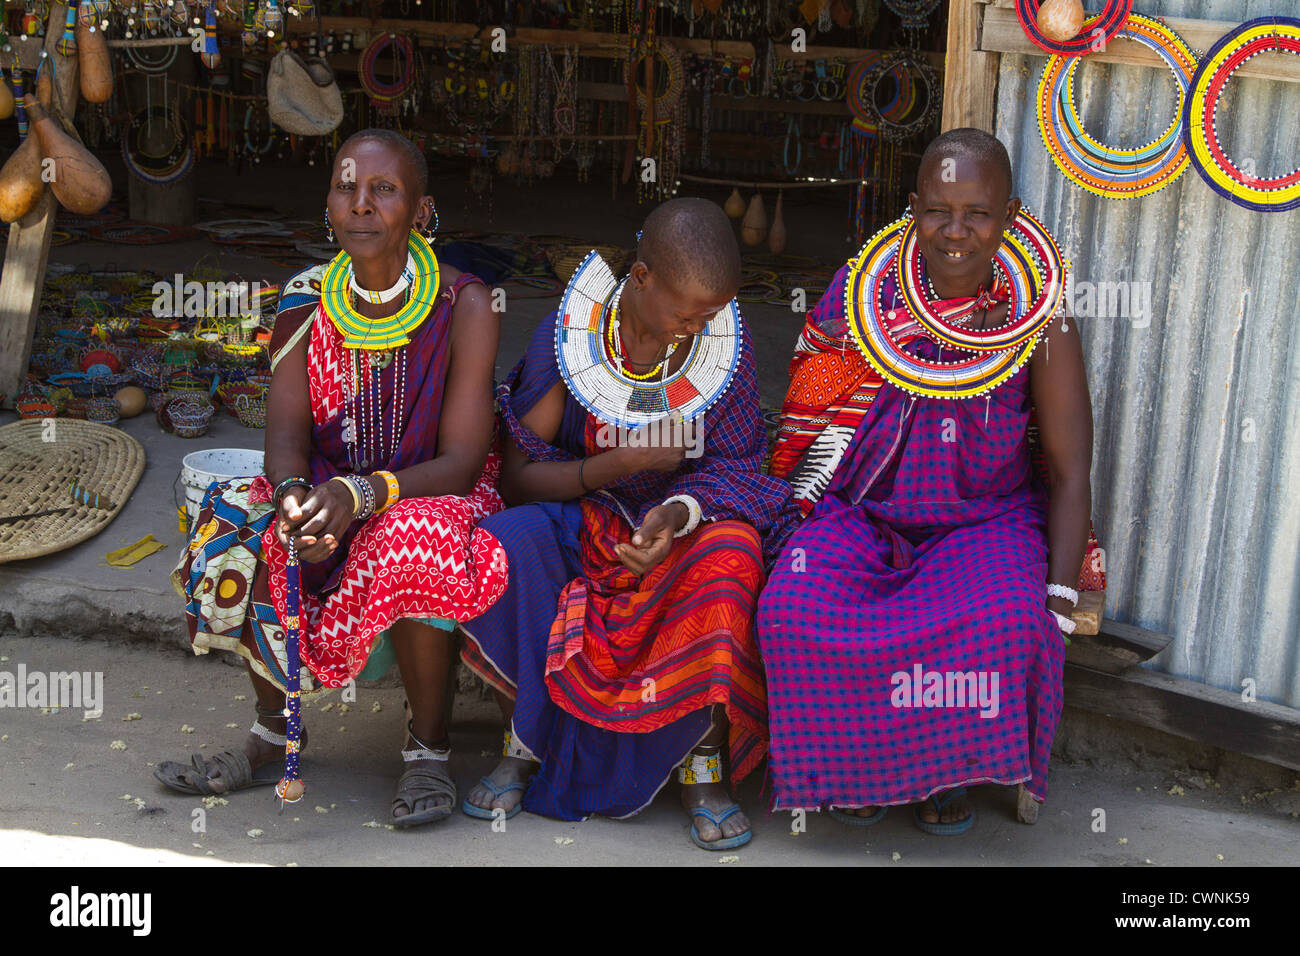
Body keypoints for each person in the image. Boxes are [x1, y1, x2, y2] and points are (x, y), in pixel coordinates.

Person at [158, 129, 509, 828]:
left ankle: (428, 750)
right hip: (325, 489)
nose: (361, 205)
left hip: (427, 490)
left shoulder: (466, 304)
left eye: (383, 190)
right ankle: (272, 732)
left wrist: (361, 494)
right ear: (328, 205)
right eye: (346, 188)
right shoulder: (303, 298)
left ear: (422, 211)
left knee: (413, 538)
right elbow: (284, 443)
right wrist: (295, 502)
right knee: (240, 521)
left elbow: (463, 460)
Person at [759, 128, 1097, 834]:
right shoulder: (863, 296)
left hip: (981, 525)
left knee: (1008, 620)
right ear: (912, 208)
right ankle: (854, 769)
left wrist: (1061, 597)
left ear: (1011, 214)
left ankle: (947, 774)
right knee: (792, 607)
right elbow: (813, 416)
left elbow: (1069, 471)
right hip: (859, 515)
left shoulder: (1040, 319)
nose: (956, 231)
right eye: (938, 209)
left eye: (977, 212)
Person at [458, 198, 795, 849]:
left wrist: (676, 512)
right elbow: (519, 477)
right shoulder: (571, 332)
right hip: (579, 523)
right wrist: (620, 463)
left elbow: (741, 469)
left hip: (676, 539)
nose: (697, 328)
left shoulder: (724, 341)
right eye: (684, 311)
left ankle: (702, 764)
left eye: (709, 314)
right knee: (505, 544)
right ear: (640, 278)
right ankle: (525, 739)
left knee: (734, 553)